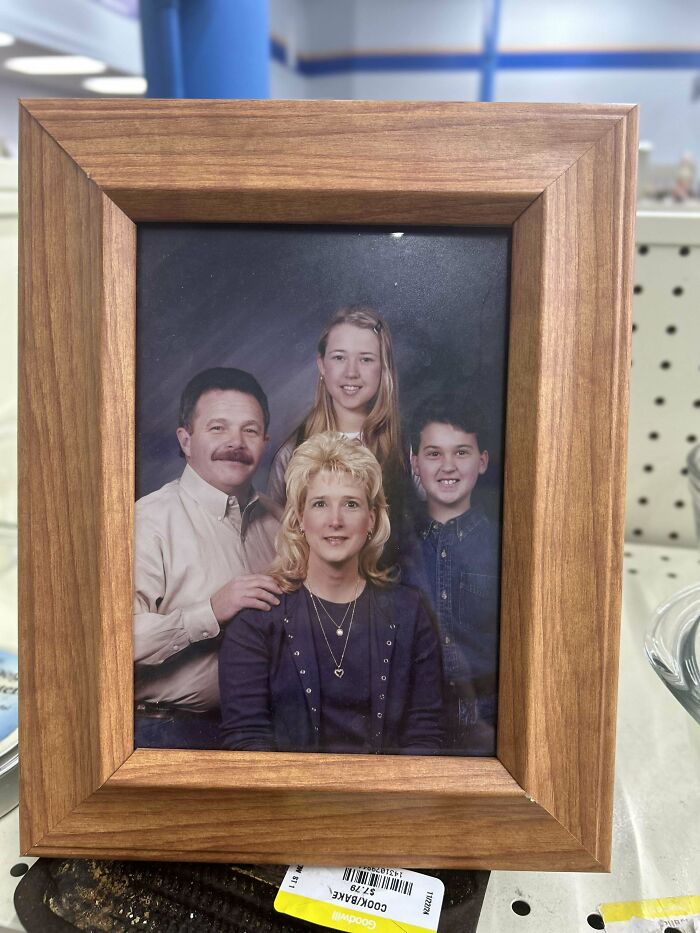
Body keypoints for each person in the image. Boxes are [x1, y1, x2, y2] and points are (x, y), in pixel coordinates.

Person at [219, 432, 444, 754]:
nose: (335, 521)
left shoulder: (410, 612)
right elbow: (247, 740)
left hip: (386, 799)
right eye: (320, 504)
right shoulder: (258, 618)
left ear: (372, 519)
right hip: (286, 799)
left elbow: (425, 735)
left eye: (351, 504)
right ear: (298, 519)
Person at [134, 367, 283, 750]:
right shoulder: (147, 520)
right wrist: (211, 611)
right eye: (218, 428)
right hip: (165, 734)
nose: (235, 442)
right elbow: (115, 642)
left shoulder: (281, 521)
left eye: (250, 430)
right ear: (186, 439)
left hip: (258, 734)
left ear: (265, 441)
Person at [403, 394, 500, 755]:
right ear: (415, 463)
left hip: (488, 720)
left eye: (461, 452)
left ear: (483, 461)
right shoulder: (394, 547)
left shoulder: (504, 547)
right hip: (411, 719)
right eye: (433, 454)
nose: (448, 466)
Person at [267, 306, 406, 511]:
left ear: (383, 368)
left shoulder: (406, 449)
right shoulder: (291, 453)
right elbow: (276, 537)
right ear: (322, 365)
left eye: (365, 359)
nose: (351, 372)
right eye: (339, 357)